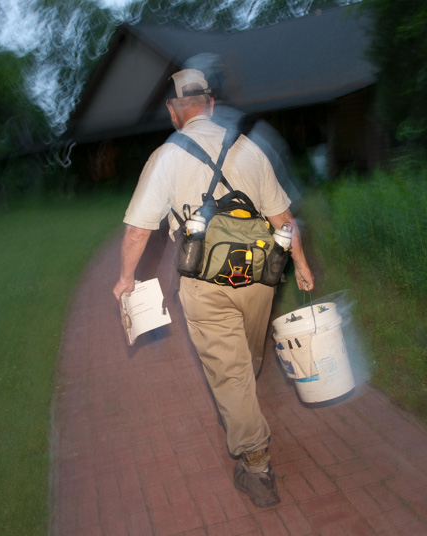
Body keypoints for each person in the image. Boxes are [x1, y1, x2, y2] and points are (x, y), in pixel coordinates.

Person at [112, 68, 314, 508]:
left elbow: (135, 232)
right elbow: (283, 220)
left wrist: (126, 279)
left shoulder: (165, 156)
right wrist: (300, 264)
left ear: (173, 111)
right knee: (244, 363)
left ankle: (257, 467)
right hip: (260, 278)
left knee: (231, 370)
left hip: (203, 281)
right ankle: (250, 436)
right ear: (211, 104)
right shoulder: (249, 149)